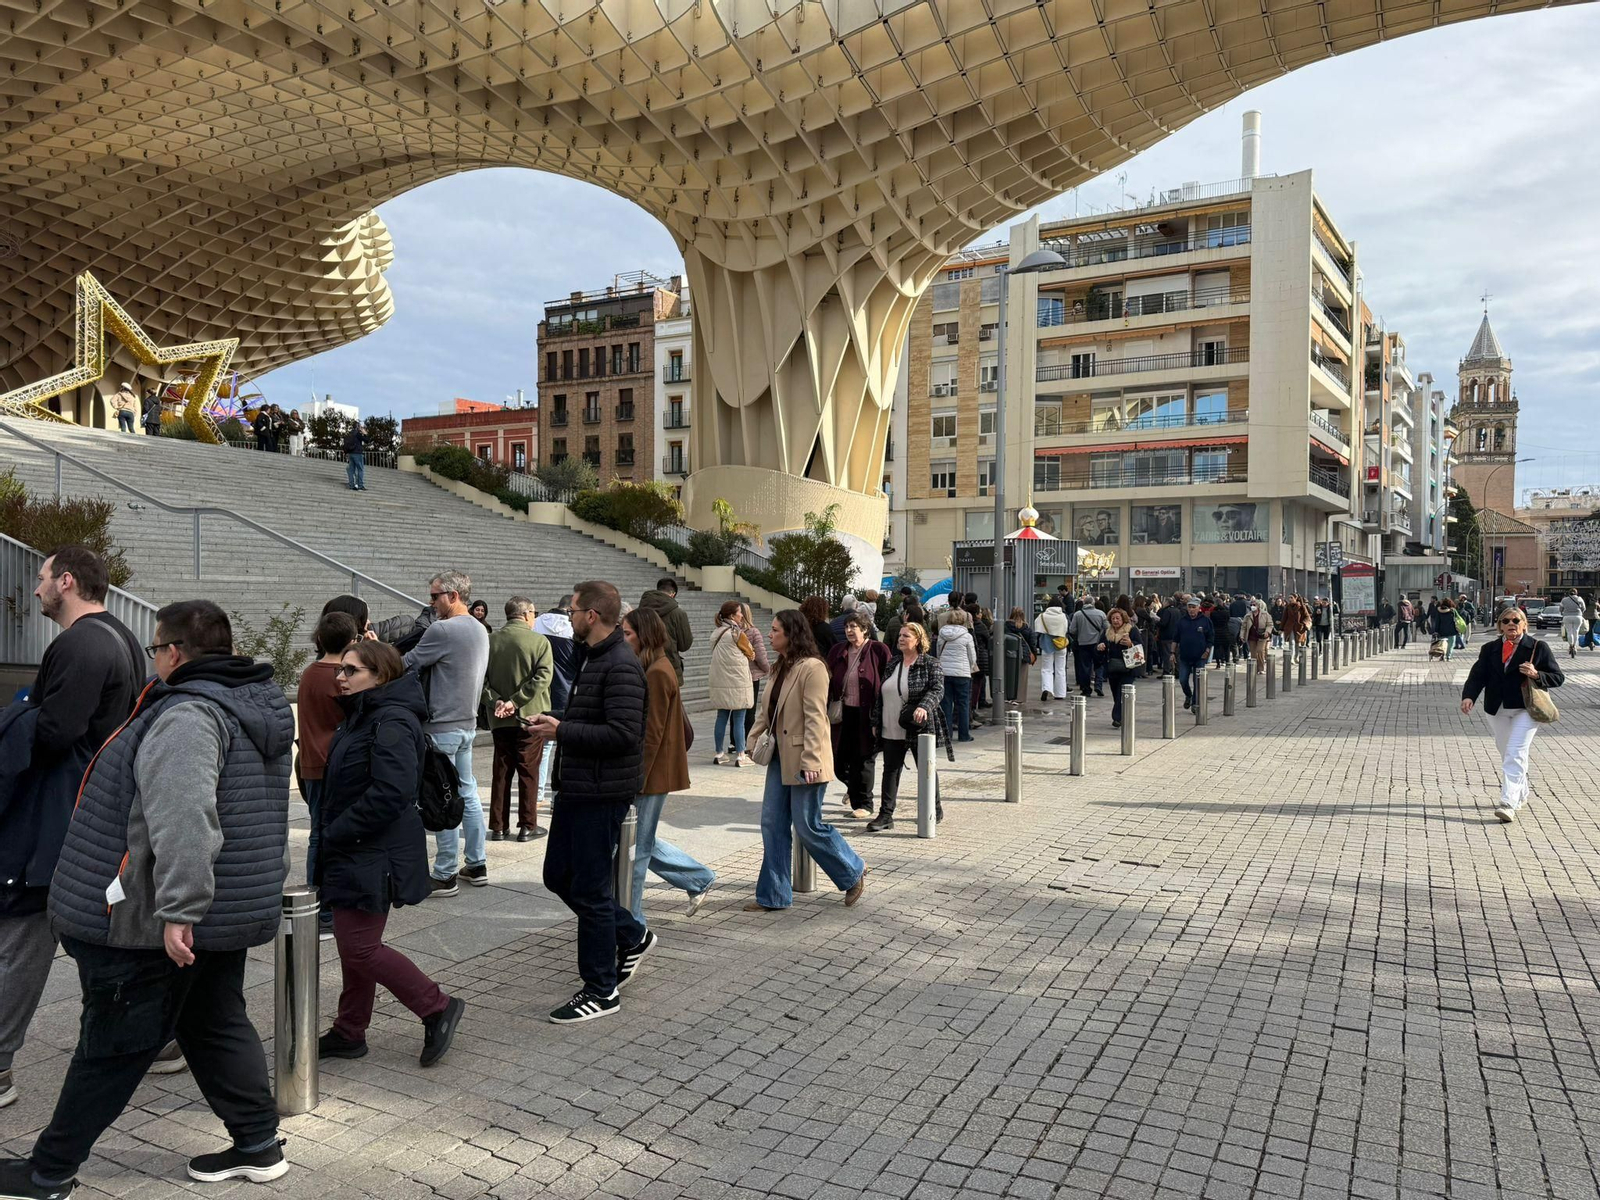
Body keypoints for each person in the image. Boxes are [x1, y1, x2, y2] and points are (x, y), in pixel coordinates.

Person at [0, 601, 293, 1196]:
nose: (152, 658)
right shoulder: (250, 704)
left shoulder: (189, 713)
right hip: (221, 908)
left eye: (155, 647)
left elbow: (185, 817)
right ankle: (258, 1143)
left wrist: (179, 910)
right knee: (213, 1021)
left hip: (155, 918)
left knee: (114, 1043)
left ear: (175, 652)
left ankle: (49, 1171)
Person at [1, 547, 150, 1113]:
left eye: (41, 580)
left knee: (20, 938)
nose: (36, 589)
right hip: (87, 814)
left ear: (67, 581)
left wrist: (17, 712)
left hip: (58, 818)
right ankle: (153, 1039)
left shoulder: (79, 643)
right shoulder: (119, 637)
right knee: (92, 939)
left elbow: (56, 732)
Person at [315, 640, 465, 1065]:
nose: (340, 677)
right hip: (355, 849)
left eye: (351, 671)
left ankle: (436, 1006)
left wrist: (337, 830)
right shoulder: (363, 715)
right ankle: (349, 1030)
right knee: (354, 945)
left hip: (371, 851)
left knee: (361, 947)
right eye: (341, 670)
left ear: (380, 676)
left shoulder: (392, 720)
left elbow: (391, 793)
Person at [528, 581, 650, 1022]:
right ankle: (631, 933)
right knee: (558, 875)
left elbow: (623, 735)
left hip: (602, 792)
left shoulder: (620, 664)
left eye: (574, 610)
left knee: (591, 889)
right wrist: (555, 720)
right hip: (578, 787)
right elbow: (594, 719)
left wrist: (561, 732)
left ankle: (601, 988)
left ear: (592, 616)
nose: (569, 615)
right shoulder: (595, 656)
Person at [743, 611, 868, 912]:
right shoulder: (779, 666)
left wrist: (811, 761)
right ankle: (773, 895)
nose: (769, 634)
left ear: (791, 633)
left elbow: (816, 718)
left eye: (775, 630)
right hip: (779, 756)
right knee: (772, 823)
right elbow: (766, 712)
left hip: (805, 757)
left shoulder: (813, 668)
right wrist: (752, 740)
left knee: (807, 825)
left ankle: (853, 870)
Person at [620, 606, 713, 921]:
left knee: (636, 849)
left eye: (628, 633)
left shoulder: (658, 671)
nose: (624, 638)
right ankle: (698, 878)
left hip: (652, 774)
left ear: (643, 636)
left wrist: (637, 777)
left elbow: (651, 734)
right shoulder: (654, 666)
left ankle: (633, 922)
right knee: (638, 841)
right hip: (652, 772)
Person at [403, 570, 490, 895]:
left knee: (441, 798)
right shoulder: (479, 629)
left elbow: (407, 663)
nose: (431, 602)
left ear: (453, 596)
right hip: (466, 725)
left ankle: (444, 873)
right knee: (465, 794)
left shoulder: (443, 630)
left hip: (442, 728)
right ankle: (477, 863)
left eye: (436, 595)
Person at [1461, 606, 1564, 823]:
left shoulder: (1538, 647)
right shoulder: (1490, 648)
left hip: (1526, 709)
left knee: (1515, 753)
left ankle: (1508, 802)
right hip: (1497, 709)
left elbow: (1557, 677)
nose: (1511, 624)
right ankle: (1522, 791)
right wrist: (1469, 696)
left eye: (1516, 620)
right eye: (1505, 621)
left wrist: (1537, 674)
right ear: (1500, 626)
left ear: (1524, 624)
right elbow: (1478, 675)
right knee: (1506, 751)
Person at [297, 611, 361, 938]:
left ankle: (315, 904)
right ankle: (324, 912)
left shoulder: (309, 673)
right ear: (353, 641)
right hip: (334, 766)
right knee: (327, 836)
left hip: (310, 763)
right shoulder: (342, 676)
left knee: (317, 833)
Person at [868, 622, 949, 832]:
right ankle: (886, 815)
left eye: (906, 636)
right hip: (890, 725)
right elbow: (881, 695)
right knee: (890, 770)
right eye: (900, 636)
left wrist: (924, 706)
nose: (901, 639)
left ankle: (934, 808)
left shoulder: (930, 663)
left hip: (917, 726)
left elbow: (937, 690)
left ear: (918, 640)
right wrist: (876, 721)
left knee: (926, 769)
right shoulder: (893, 663)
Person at [483, 597, 552, 842]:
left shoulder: (491, 641)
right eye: (534, 613)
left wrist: (497, 701)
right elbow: (543, 677)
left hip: (500, 717)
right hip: (530, 717)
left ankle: (498, 827)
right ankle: (527, 825)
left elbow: (481, 680)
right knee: (528, 772)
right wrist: (516, 701)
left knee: (501, 772)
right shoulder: (539, 641)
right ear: (526, 614)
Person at [827, 611, 891, 819]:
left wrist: (882, 716)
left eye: (853, 626)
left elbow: (887, 682)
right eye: (847, 627)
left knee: (864, 757)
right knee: (839, 758)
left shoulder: (878, 650)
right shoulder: (838, 650)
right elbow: (828, 679)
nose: (849, 630)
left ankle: (864, 803)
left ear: (865, 629)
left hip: (868, 713)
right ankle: (853, 788)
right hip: (843, 714)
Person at [708, 600, 755, 765]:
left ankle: (719, 753)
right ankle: (741, 755)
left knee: (721, 716)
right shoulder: (737, 633)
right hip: (737, 682)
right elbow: (751, 653)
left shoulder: (717, 632)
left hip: (720, 681)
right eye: (739, 612)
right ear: (732, 615)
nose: (742, 615)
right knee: (740, 718)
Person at [636, 578, 694, 682]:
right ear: (672, 594)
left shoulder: (640, 610)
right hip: (669, 666)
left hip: (643, 665)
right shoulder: (678, 613)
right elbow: (685, 645)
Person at [935, 608, 977, 743]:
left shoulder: (942, 634)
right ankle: (964, 735)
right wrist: (970, 667)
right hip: (962, 673)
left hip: (945, 673)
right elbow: (972, 656)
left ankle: (947, 735)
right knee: (963, 704)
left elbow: (938, 653)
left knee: (946, 704)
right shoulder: (967, 636)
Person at [1100, 606, 1143, 729]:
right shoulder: (1107, 632)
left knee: (1121, 693)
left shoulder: (1131, 630)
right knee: (1115, 693)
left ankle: (1117, 717)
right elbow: (1100, 647)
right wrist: (1100, 647)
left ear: (1123, 619)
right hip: (1113, 668)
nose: (1115, 621)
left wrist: (1130, 644)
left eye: (1117, 618)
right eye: (1113, 618)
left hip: (1128, 668)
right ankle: (1122, 714)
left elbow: (1140, 646)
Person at [740, 603, 771, 747]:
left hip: (736, 675)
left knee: (736, 709)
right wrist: (767, 669)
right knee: (750, 710)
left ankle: (735, 742)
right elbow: (760, 655)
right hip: (751, 675)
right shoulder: (753, 632)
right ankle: (748, 740)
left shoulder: (731, 631)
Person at [1175, 597, 1214, 709]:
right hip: (1185, 656)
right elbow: (1175, 638)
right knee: (1182, 680)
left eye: (1194, 607)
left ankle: (1195, 704)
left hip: (1200, 656)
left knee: (1197, 681)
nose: (1191, 609)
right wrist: (1172, 653)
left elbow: (1210, 637)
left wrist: (1207, 651)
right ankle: (1189, 695)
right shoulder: (1182, 621)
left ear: (1199, 608)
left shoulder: (1205, 621)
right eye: (1189, 607)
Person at [1068, 598, 1108, 699]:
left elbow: (1072, 630)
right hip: (1097, 643)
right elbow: (1107, 627)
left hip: (1083, 644)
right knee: (1099, 664)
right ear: (1093, 603)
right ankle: (1098, 685)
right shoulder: (1101, 614)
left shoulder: (1077, 614)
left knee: (1085, 667)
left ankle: (1086, 689)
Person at [1033, 599, 1069, 702]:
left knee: (1046, 669)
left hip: (1047, 644)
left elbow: (1037, 629)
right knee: (1060, 669)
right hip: (1061, 644)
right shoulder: (1063, 616)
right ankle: (1060, 693)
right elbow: (1067, 628)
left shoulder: (1042, 616)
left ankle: (1047, 688)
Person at [1004, 607, 1038, 705]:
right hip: (1023, 655)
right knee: (1022, 678)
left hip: (1009, 654)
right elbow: (1032, 643)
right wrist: (1034, 654)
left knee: (1008, 676)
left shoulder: (1006, 626)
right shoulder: (1027, 628)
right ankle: (1019, 698)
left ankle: (1007, 696)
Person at [1245, 598, 1274, 675]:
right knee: (1253, 653)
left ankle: (1261, 668)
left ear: (1258, 606)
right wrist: (1242, 635)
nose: (1252, 606)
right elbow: (1244, 626)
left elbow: (1270, 624)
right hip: (1252, 636)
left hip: (1262, 636)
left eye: (1254, 605)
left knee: (1260, 651)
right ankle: (1254, 668)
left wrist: (1267, 631)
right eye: (1251, 605)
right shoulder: (1248, 615)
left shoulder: (1265, 614)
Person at [1558, 588, 1587, 657]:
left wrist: (1563, 612)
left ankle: (1571, 645)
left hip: (1567, 617)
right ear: (1576, 593)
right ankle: (1574, 646)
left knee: (1569, 631)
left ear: (1569, 593)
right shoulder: (1579, 599)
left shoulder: (1564, 600)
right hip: (1578, 617)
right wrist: (1580, 612)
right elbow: (1584, 608)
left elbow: (1560, 609)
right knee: (1576, 631)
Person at [343, 420, 366, 490]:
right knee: (360, 469)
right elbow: (367, 440)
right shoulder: (358, 434)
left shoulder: (349, 434)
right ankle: (360, 485)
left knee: (351, 470)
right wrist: (365, 433)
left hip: (350, 453)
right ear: (358, 427)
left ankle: (351, 485)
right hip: (358, 453)